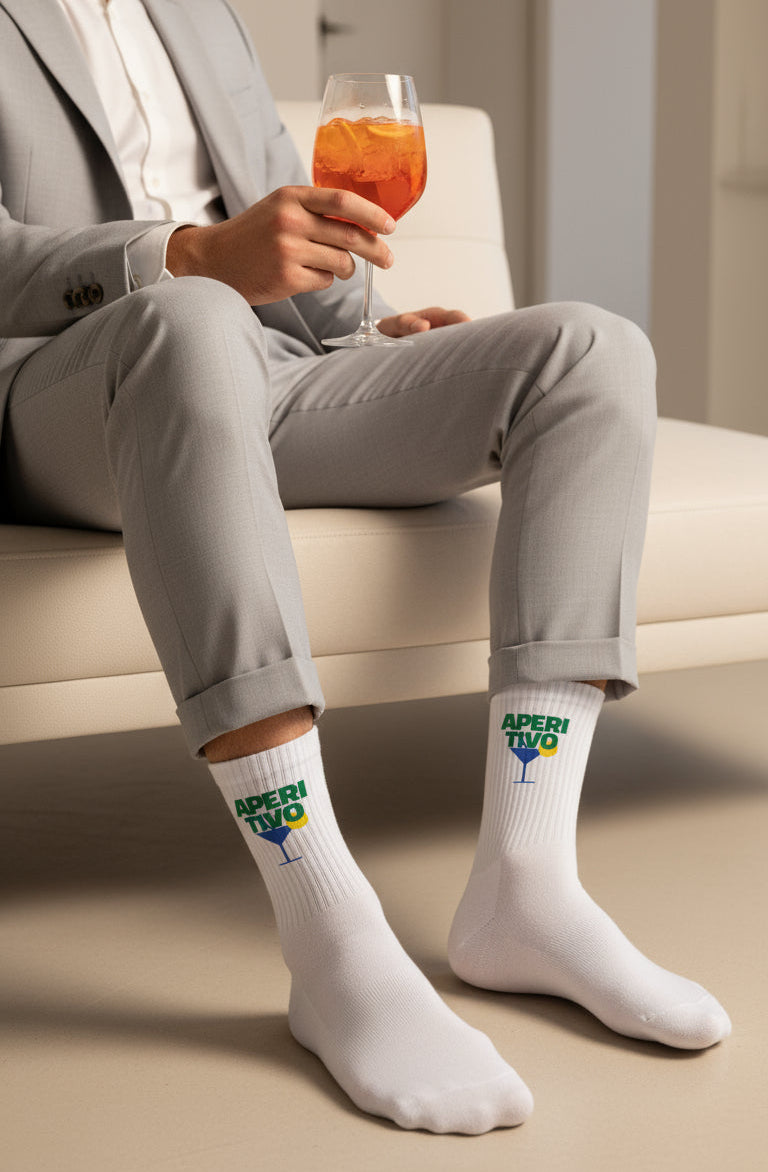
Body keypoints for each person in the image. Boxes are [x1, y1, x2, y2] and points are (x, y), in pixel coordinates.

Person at [0, 0, 730, 1136]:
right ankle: (330, 932)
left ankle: (526, 886)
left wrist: (374, 328)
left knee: (590, 351)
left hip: (273, 366)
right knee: (190, 318)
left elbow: (293, 223)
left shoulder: (200, 13)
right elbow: (175, 262)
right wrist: (182, 256)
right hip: (63, 387)